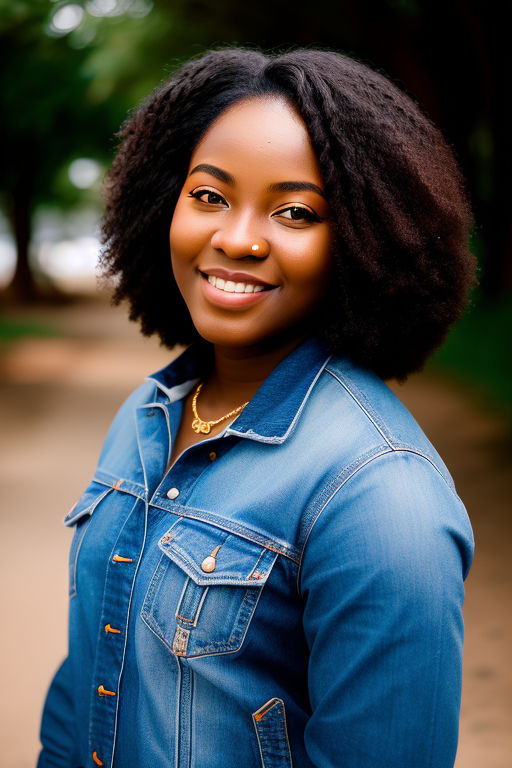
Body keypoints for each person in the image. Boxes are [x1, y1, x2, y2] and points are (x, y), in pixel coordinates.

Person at [37, 46, 477, 768]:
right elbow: (86, 687)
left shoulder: (378, 496)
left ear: (366, 238)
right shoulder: (146, 415)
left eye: (296, 212)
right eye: (208, 195)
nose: (236, 239)